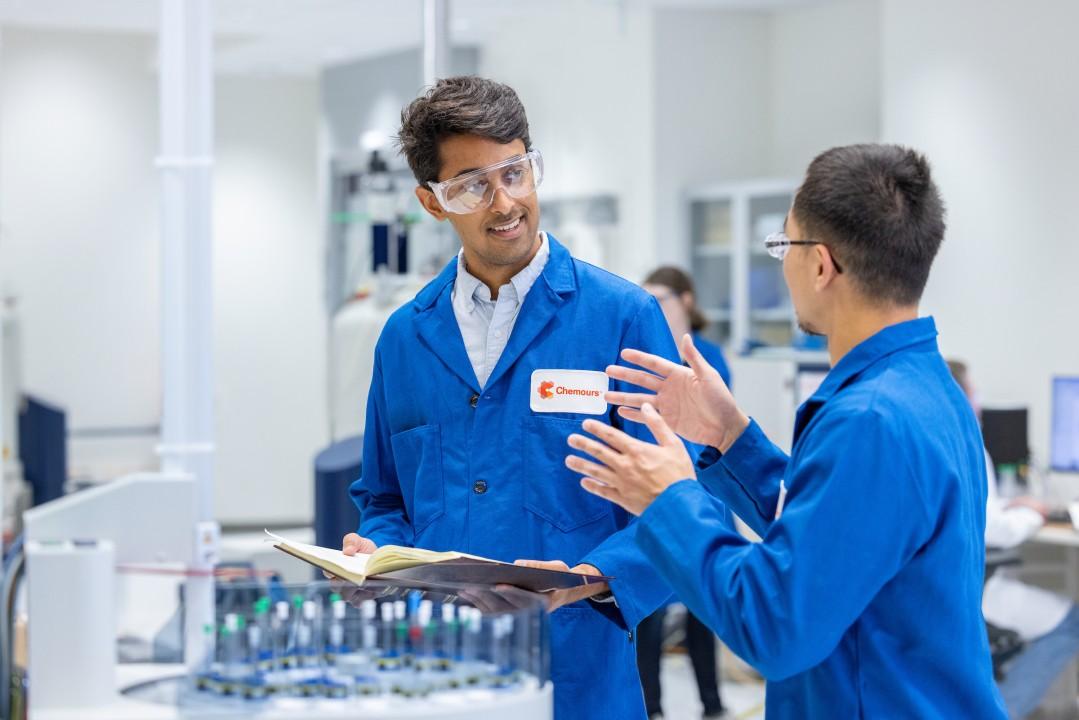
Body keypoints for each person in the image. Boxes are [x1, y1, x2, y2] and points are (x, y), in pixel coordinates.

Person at [563, 144, 1006, 717]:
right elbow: (833, 538)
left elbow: (773, 626)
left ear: (821, 265)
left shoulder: (870, 421)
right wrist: (729, 435)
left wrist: (668, 499)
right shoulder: (924, 386)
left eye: (784, 245)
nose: (783, 262)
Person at [342, 76, 681, 720]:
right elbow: (385, 498)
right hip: (438, 672)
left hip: (578, 674)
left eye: (515, 171)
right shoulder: (404, 338)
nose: (504, 202)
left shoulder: (622, 319)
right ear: (432, 201)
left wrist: (585, 580)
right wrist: (376, 556)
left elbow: (677, 508)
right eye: (472, 183)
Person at [950, 360, 1079, 719]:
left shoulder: (944, 440)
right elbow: (995, 529)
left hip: (954, 586)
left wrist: (1012, 506)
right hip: (978, 589)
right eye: (973, 391)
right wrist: (1033, 513)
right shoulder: (969, 442)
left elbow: (980, 513)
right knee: (1072, 623)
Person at [637, 266, 729, 720]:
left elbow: (718, 431)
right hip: (660, 495)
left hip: (701, 492)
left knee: (702, 610)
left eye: (661, 296)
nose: (651, 304)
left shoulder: (706, 356)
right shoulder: (644, 353)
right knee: (650, 608)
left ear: (686, 300)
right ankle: (651, 708)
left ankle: (712, 704)